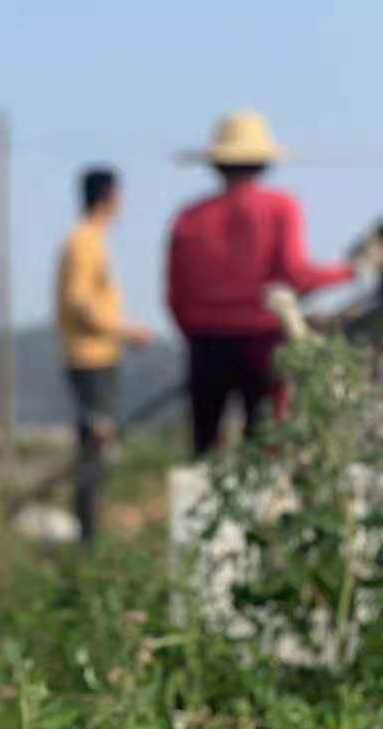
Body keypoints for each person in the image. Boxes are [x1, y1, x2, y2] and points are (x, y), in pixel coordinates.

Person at [167, 110, 353, 456]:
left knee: (205, 448)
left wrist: (198, 334)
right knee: (266, 445)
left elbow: (175, 294)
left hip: (206, 345)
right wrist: (351, 271)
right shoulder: (279, 207)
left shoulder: (189, 218)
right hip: (263, 342)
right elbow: (296, 275)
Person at [54, 166, 152, 543]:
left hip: (95, 356)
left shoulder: (88, 240)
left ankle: (90, 531)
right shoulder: (84, 242)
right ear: (109, 197)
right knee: (95, 445)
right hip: (90, 358)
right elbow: (79, 302)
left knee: (96, 447)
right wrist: (124, 330)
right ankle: (88, 536)